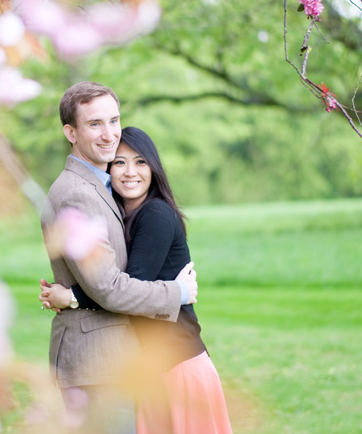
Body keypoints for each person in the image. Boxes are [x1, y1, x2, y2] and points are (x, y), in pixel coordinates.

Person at [41, 126, 233, 434]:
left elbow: (125, 288)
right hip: (152, 368)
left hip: (178, 364)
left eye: (140, 162)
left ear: (154, 168)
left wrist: (73, 296)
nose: (130, 172)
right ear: (108, 169)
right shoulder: (122, 217)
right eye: (119, 162)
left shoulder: (155, 215)